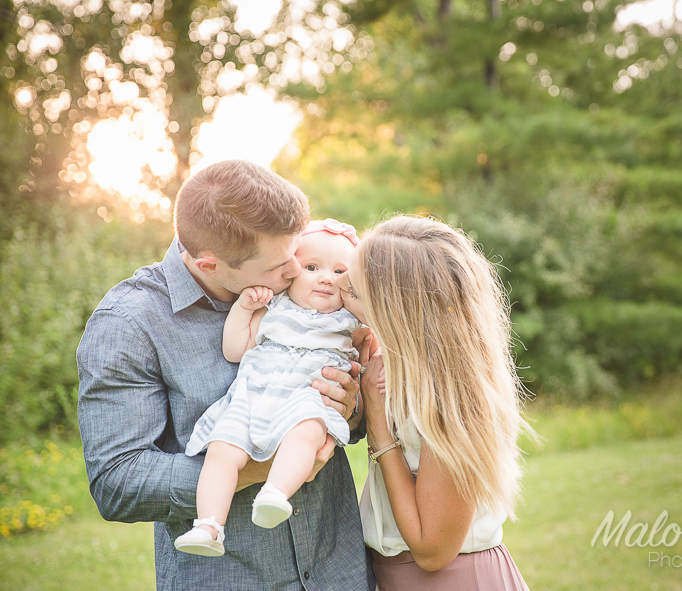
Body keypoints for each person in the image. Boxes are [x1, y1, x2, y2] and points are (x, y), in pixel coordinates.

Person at [78, 159, 375, 590]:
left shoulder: (314, 289)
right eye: (279, 266)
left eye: (297, 253)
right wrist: (255, 468)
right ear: (210, 263)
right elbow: (117, 482)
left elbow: (360, 418)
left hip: (338, 571)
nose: (297, 271)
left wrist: (349, 408)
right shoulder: (129, 324)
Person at [342, 216, 531, 590]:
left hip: (451, 578)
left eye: (353, 290)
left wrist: (379, 430)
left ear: (396, 309)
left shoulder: (452, 397)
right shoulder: (398, 366)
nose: (336, 289)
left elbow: (432, 551)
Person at [176, 219, 362, 556]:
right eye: (312, 267)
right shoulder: (273, 308)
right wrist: (243, 309)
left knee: (307, 431)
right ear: (290, 271)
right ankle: (208, 526)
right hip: (253, 398)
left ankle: (275, 493)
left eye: (339, 272)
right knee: (221, 451)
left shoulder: (352, 322)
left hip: (305, 400)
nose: (325, 278)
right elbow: (235, 349)